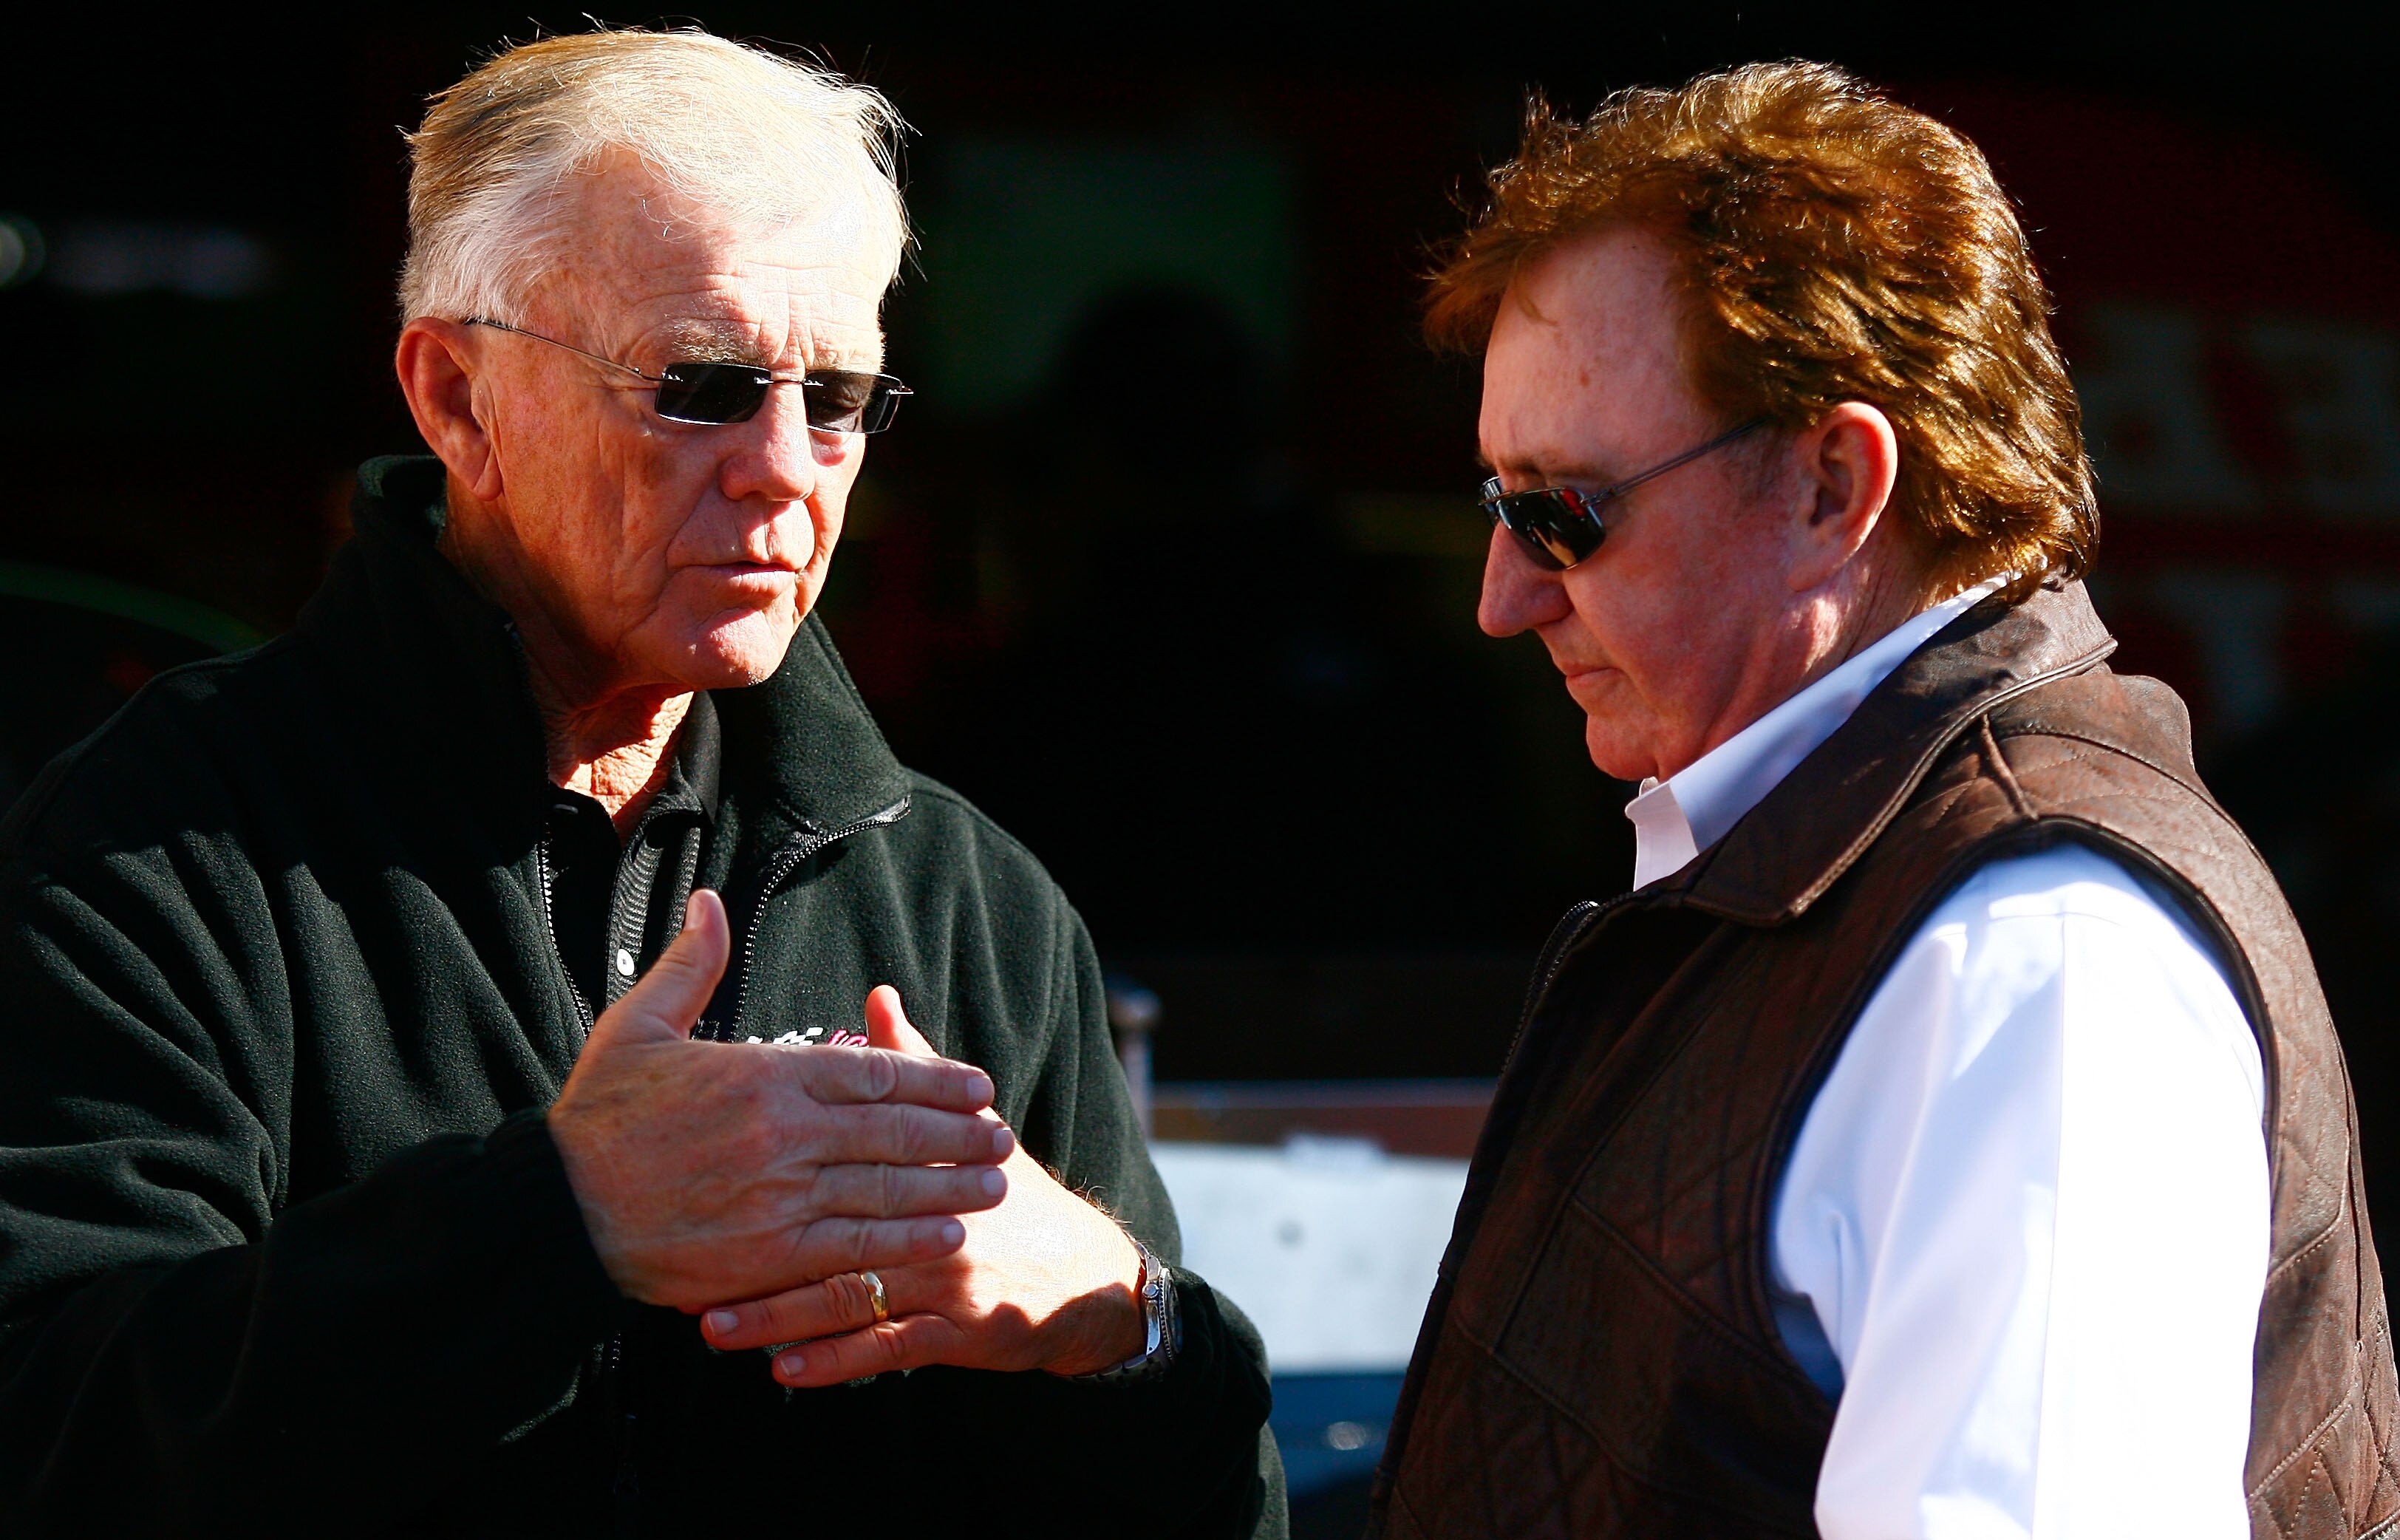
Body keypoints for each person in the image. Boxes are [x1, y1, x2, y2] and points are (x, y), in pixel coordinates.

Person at [0, 30, 1278, 1536]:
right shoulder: (152, 852)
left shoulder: (959, 892)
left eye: (840, 395)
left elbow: (1216, 1515)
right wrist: (558, 1214)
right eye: (704, 385)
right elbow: (48, 1439)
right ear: (457, 399)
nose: (786, 465)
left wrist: (1122, 1331)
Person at [1369, 62, 2398, 1539]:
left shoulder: (2039, 957)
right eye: (1494, 503)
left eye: (1561, 511)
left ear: (1829, 491)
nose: (1502, 595)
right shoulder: (1871, 879)